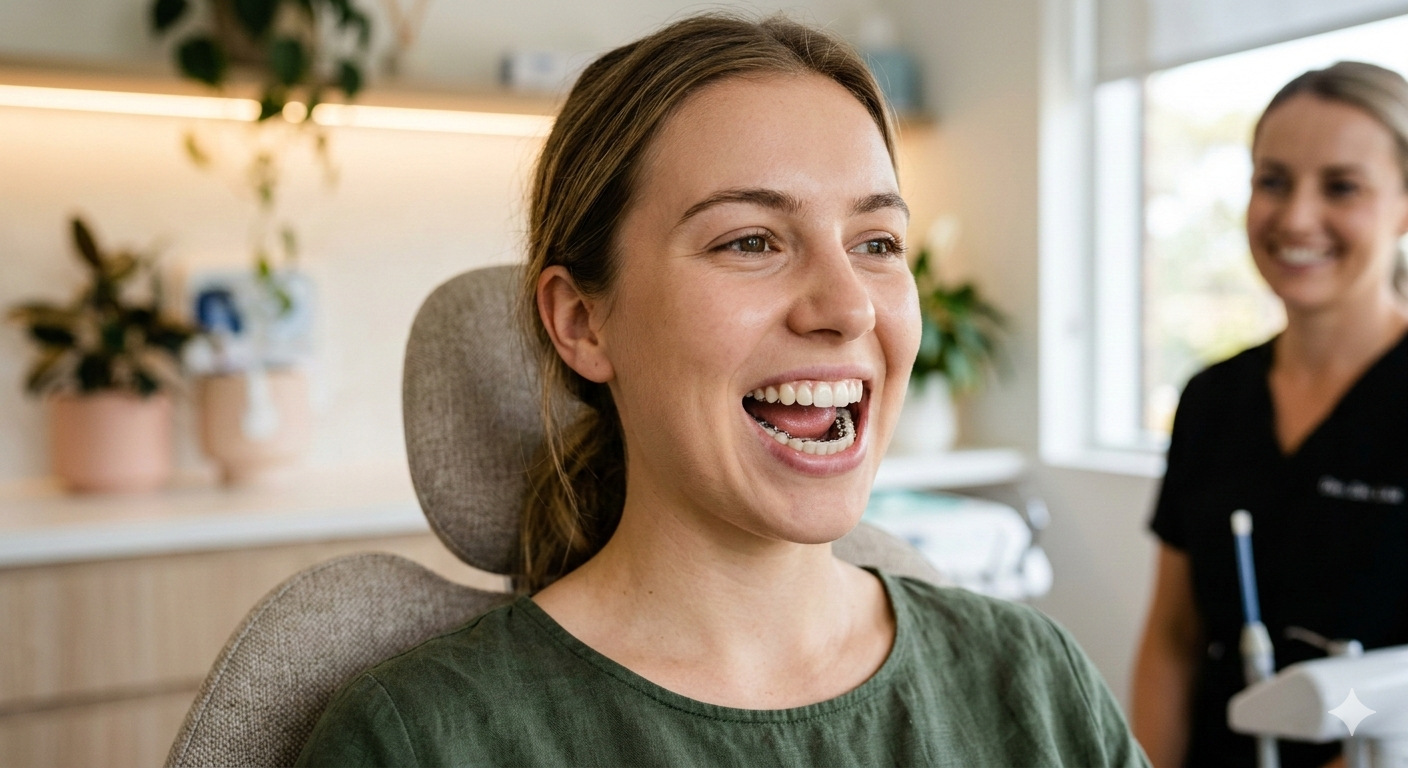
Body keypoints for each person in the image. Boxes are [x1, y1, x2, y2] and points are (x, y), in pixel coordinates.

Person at [298, 15, 1146, 767]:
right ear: (583, 322)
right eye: (749, 241)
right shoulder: (420, 740)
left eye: (878, 243)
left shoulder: (1036, 682)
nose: (849, 306)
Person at [1132, 61, 1408, 768]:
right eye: (1273, 181)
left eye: (1341, 186)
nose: (1296, 218)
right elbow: (1172, 640)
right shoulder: (1211, 400)